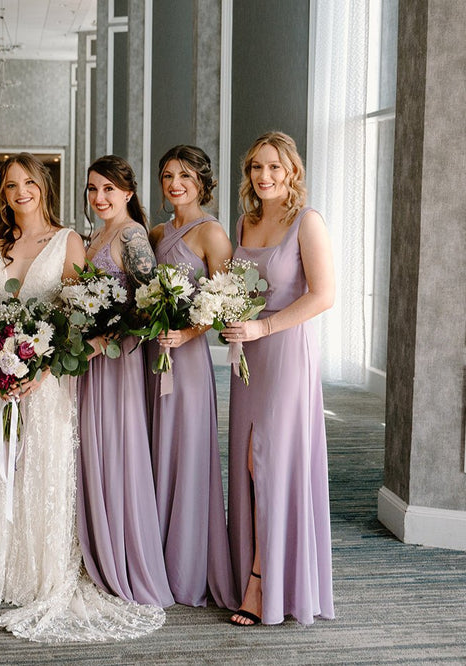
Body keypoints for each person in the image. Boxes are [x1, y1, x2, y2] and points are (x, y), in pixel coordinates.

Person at [0, 153, 165, 642]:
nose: (20, 192)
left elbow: (79, 312)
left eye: (28, 183)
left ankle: (41, 569)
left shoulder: (70, 240)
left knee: (43, 466)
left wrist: (42, 360)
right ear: (3, 193)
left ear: (44, 187)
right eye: (10, 185)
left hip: (49, 377)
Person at [223, 131, 335, 626]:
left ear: (292, 172)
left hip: (286, 349)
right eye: (255, 168)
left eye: (273, 167)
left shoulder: (307, 222)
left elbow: (323, 295)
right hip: (247, 355)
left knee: (265, 460)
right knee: (246, 462)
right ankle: (256, 564)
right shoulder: (246, 221)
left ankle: (262, 582)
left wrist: (264, 325)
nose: (263, 176)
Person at [76, 155, 174, 609]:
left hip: (116, 360)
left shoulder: (132, 234)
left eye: (109, 189)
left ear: (129, 193)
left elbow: (151, 303)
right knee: (93, 450)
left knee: (116, 450)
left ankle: (123, 556)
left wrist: (104, 338)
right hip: (93, 358)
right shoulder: (96, 233)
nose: (99, 197)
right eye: (93, 189)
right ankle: (96, 546)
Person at [145, 145, 238, 609]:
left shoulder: (213, 233)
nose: (174, 183)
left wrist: (186, 332)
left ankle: (186, 566)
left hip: (187, 359)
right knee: (156, 449)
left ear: (202, 181)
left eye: (184, 175)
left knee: (187, 452)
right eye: (166, 175)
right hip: (153, 356)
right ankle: (151, 557)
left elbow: (223, 302)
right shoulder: (159, 231)